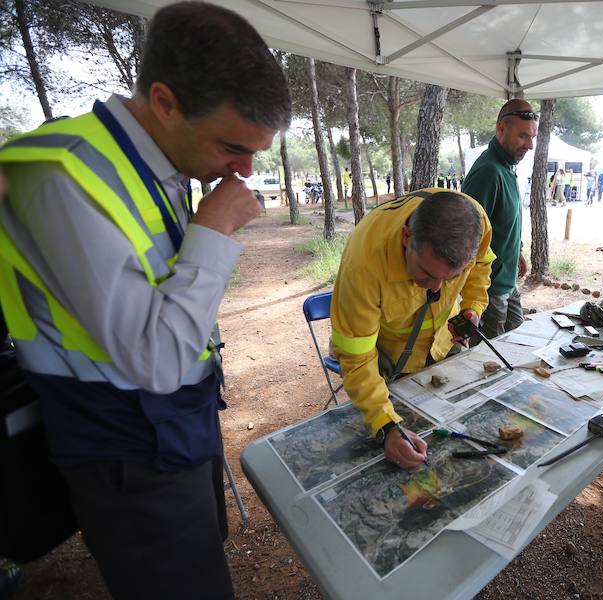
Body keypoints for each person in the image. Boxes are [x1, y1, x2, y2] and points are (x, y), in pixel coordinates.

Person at [0, 3, 291, 599]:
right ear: (164, 101)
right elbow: (153, 360)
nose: (246, 168)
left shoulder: (161, 160)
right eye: (234, 146)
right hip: (128, 451)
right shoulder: (64, 177)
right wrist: (213, 232)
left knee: (205, 564)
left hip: (179, 425)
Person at [330, 190, 493, 468]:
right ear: (407, 238)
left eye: (450, 278)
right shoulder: (363, 265)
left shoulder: (474, 221)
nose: (435, 288)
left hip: (440, 343)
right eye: (427, 273)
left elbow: (480, 266)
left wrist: (472, 308)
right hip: (385, 361)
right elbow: (357, 359)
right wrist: (386, 426)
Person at [462, 98, 537, 339]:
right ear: (501, 130)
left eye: (533, 137)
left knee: (517, 342)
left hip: (508, 281)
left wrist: (518, 252)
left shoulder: (507, 166)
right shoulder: (489, 171)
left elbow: (504, 222)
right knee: (488, 360)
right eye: (524, 136)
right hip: (489, 289)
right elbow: (468, 236)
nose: (531, 145)